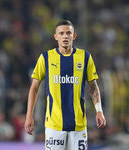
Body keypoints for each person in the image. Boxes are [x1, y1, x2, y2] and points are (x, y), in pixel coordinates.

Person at [24, 20, 106, 150]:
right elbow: (34, 87)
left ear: (74, 36)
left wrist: (99, 111)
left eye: (68, 33)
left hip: (78, 125)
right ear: (55, 36)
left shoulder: (85, 57)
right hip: (54, 125)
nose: (65, 36)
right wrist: (29, 115)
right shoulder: (45, 58)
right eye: (61, 33)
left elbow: (93, 86)